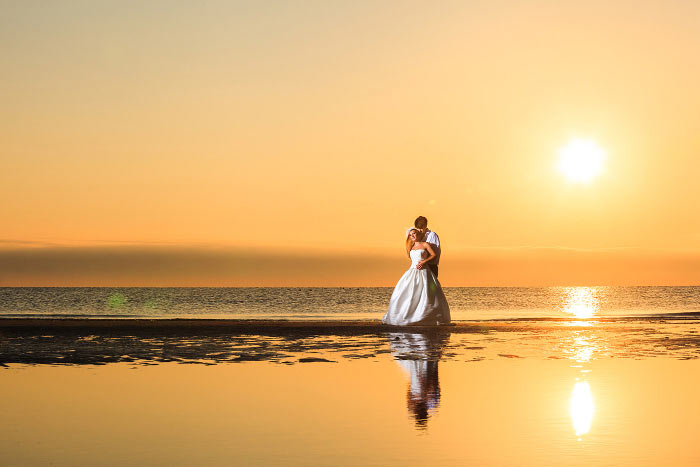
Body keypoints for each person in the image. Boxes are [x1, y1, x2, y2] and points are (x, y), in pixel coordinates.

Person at [382, 229, 451, 326]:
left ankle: (425, 315)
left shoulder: (425, 244)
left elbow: (434, 255)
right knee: (406, 293)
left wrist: (424, 261)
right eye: (410, 235)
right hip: (412, 271)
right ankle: (406, 315)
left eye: (414, 233)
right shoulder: (411, 247)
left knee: (426, 293)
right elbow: (412, 260)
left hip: (424, 271)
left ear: (418, 234)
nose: (412, 236)